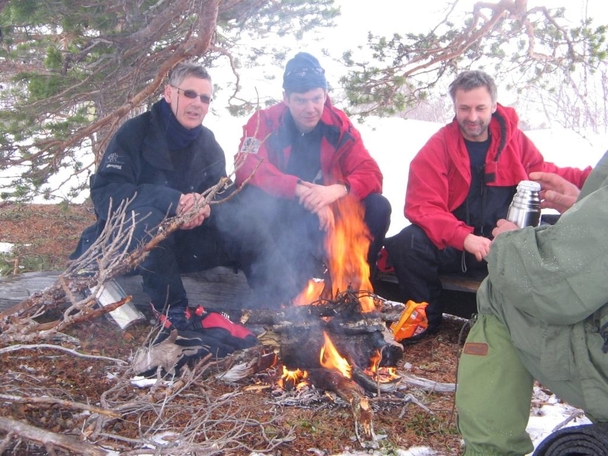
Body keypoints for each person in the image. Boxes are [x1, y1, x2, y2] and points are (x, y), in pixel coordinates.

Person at [70, 62, 296, 328]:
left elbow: (221, 193)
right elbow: (107, 193)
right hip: (133, 248)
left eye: (205, 98)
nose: (197, 103)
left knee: (244, 218)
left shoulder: (208, 143)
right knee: (147, 217)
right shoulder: (134, 133)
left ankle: (286, 303)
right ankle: (172, 310)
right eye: (189, 94)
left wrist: (205, 207)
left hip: (186, 247)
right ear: (169, 93)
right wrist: (173, 202)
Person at [383, 70, 592, 342]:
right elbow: (422, 206)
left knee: (553, 238)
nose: (472, 117)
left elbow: (544, 172)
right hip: (457, 247)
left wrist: (593, 179)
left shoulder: (513, 141)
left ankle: (522, 322)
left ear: (493, 105)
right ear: (455, 107)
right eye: (464, 108)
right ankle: (426, 320)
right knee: (407, 242)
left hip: (502, 246)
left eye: (480, 108)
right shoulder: (439, 146)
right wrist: (463, 237)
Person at [455, 151, 608, 455]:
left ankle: (490, 450)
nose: (473, 123)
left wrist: (507, 245)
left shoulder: (513, 145)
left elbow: (551, 287)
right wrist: (584, 210)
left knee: (502, 289)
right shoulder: (442, 147)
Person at [233, 52, 391, 296]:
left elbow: (371, 172)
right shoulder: (265, 122)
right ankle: (280, 294)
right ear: (286, 98)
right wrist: (300, 190)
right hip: (282, 221)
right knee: (251, 200)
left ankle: (352, 289)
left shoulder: (338, 125)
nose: (311, 109)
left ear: (325, 95)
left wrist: (335, 191)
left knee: (378, 206)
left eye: (317, 98)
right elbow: (246, 166)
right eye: (300, 100)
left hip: (329, 223)